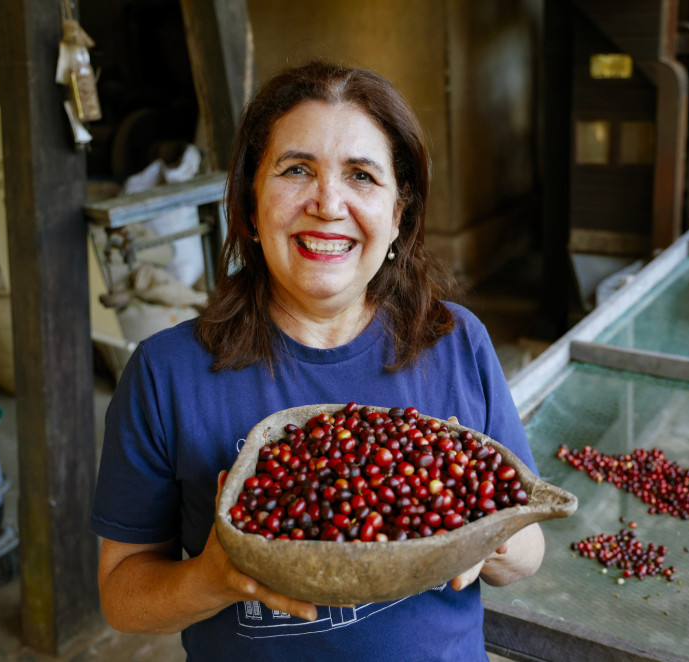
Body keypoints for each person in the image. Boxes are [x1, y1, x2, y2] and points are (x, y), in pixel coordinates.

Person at [91, 59, 545, 661]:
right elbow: (122, 593)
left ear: (398, 213)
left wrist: (487, 541)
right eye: (297, 169)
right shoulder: (166, 373)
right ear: (251, 204)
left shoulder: (456, 341)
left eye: (361, 175)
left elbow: (528, 546)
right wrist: (214, 576)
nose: (328, 204)